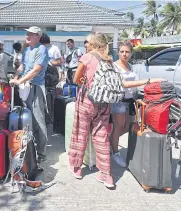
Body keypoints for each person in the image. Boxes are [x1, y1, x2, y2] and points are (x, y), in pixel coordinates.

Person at [69, 32, 163, 189]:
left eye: (88, 41)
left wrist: (86, 80)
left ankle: (77, 168)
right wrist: (149, 80)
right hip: (104, 103)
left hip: (87, 101)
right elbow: (121, 84)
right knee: (101, 138)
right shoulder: (109, 60)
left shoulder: (87, 57)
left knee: (80, 134)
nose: (87, 44)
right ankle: (106, 176)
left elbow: (75, 79)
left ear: (93, 43)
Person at [9, 26, 49, 170]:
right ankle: (28, 147)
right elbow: (21, 67)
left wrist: (21, 80)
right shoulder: (26, 50)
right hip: (24, 87)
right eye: (27, 33)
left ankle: (42, 153)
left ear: (37, 36)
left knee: (38, 121)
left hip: (35, 87)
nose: (27, 35)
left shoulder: (41, 50)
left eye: (30, 34)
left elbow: (36, 70)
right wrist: (15, 77)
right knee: (27, 119)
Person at [110, 40, 137, 168]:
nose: (125, 54)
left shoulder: (131, 66)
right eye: (122, 52)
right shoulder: (114, 67)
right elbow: (122, 84)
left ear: (131, 53)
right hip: (119, 100)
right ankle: (115, 152)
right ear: (118, 53)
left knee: (129, 126)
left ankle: (109, 141)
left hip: (131, 100)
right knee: (118, 127)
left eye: (127, 52)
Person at [39, 33, 61, 124]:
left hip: (51, 75)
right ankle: (45, 116)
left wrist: (50, 63)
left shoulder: (54, 49)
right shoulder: (40, 48)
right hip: (42, 76)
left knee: (50, 99)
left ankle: (51, 117)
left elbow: (59, 61)